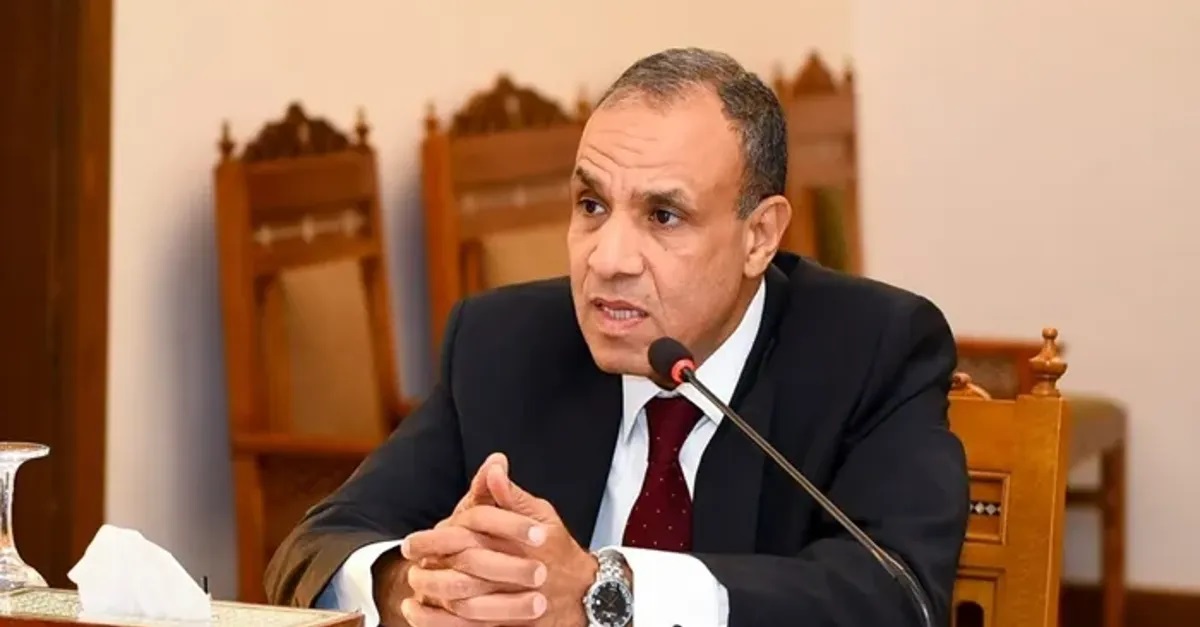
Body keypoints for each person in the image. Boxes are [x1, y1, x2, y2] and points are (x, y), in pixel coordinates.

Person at [265, 47, 969, 627]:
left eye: (663, 216)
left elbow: (900, 597)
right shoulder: (504, 343)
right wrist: (415, 586)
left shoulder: (874, 348)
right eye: (591, 205)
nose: (608, 259)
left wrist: (608, 591)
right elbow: (316, 545)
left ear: (759, 236)